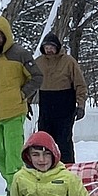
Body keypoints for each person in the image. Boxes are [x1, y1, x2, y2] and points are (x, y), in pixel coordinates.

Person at [0, 15, 44, 189]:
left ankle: (14, 188)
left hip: (14, 113)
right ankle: (13, 181)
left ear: (5, 34)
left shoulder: (20, 54)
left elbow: (37, 77)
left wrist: (22, 95)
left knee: (13, 154)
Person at [35, 31, 88, 164]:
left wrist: (80, 105)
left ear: (57, 47)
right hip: (46, 106)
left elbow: (80, 84)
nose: (49, 50)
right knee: (44, 140)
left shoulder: (69, 62)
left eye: (52, 47)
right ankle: (46, 167)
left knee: (64, 141)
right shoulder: (39, 63)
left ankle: (68, 168)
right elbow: (31, 83)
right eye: (47, 47)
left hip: (65, 106)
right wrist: (26, 103)